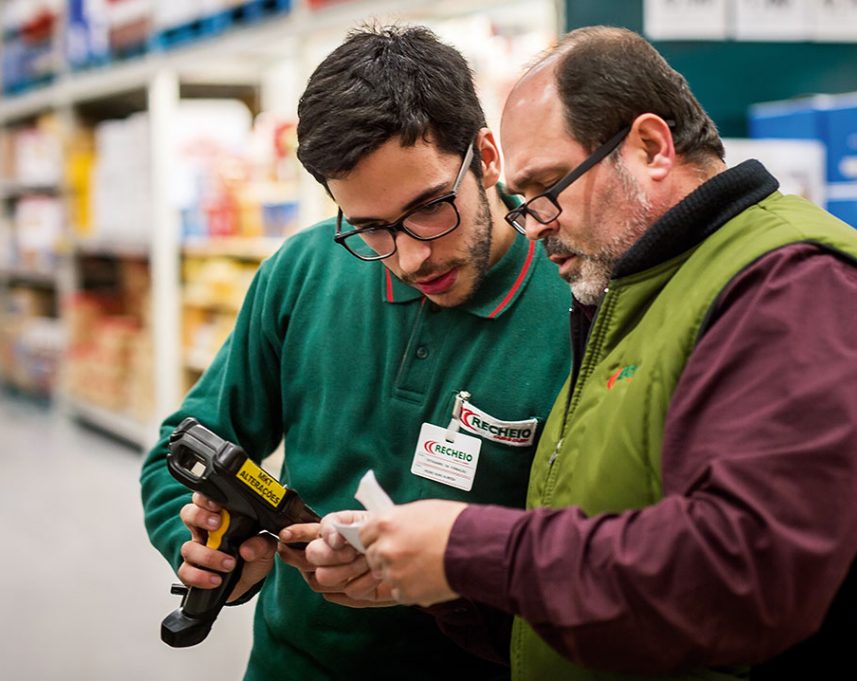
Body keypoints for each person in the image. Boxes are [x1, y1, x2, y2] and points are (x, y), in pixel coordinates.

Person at [353, 25, 857, 680]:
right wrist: (446, 586)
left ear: (651, 146)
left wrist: (469, 549)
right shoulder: (636, 296)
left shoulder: (803, 289)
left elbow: (742, 583)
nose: (535, 223)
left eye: (546, 187)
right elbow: (609, 580)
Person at [139, 25, 571, 681]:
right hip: (294, 662)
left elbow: (593, 559)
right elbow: (185, 443)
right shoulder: (304, 269)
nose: (410, 257)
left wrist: (446, 574)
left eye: (430, 208)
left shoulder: (575, 301)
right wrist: (206, 548)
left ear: (486, 156)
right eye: (369, 227)